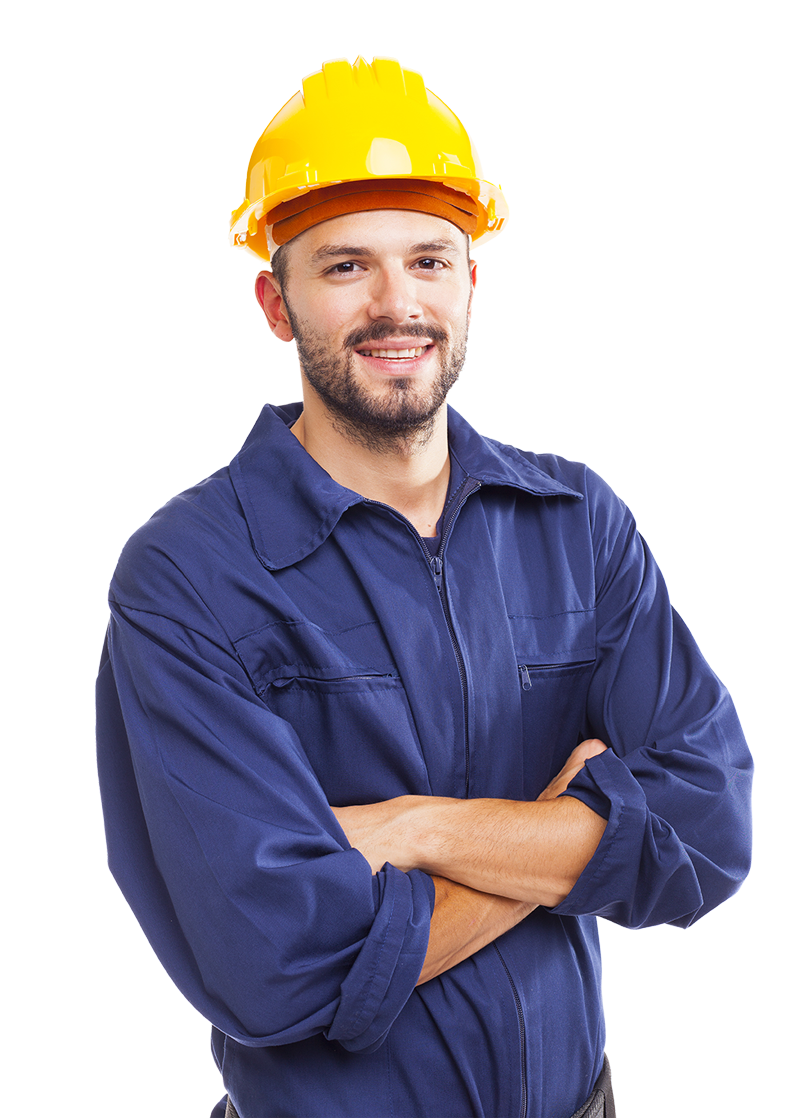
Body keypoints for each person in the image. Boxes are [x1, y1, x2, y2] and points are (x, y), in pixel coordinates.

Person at [96, 58, 753, 1118]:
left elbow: (710, 829)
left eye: (428, 259)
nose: (396, 302)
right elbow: (277, 969)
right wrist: (563, 830)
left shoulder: (578, 526)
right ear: (275, 300)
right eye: (345, 264)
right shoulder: (188, 579)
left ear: (468, 282)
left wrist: (413, 825)